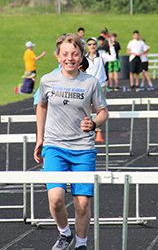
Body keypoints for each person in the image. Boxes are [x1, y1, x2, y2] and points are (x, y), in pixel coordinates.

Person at [34, 33, 109, 250]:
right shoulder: (47, 80)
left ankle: (82, 244)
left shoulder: (91, 83)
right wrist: (40, 138)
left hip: (83, 149)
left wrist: (94, 124)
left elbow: (103, 112)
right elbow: (41, 105)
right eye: (65, 54)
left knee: (83, 203)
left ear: (81, 56)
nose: (70, 58)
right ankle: (65, 233)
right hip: (55, 146)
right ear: (58, 56)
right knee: (56, 199)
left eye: (75, 54)